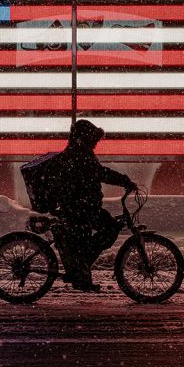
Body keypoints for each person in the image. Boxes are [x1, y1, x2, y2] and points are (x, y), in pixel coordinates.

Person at [45, 120, 136, 292]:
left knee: (87, 239)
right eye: (93, 138)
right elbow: (100, 173)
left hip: (80, 206)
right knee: (109, 229)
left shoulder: (77, 152)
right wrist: (124, 180)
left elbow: (97, 173)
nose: (96, 142)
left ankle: (80, 271)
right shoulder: (80, 154)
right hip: (80, 207)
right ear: (85, 138)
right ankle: (80, 269)